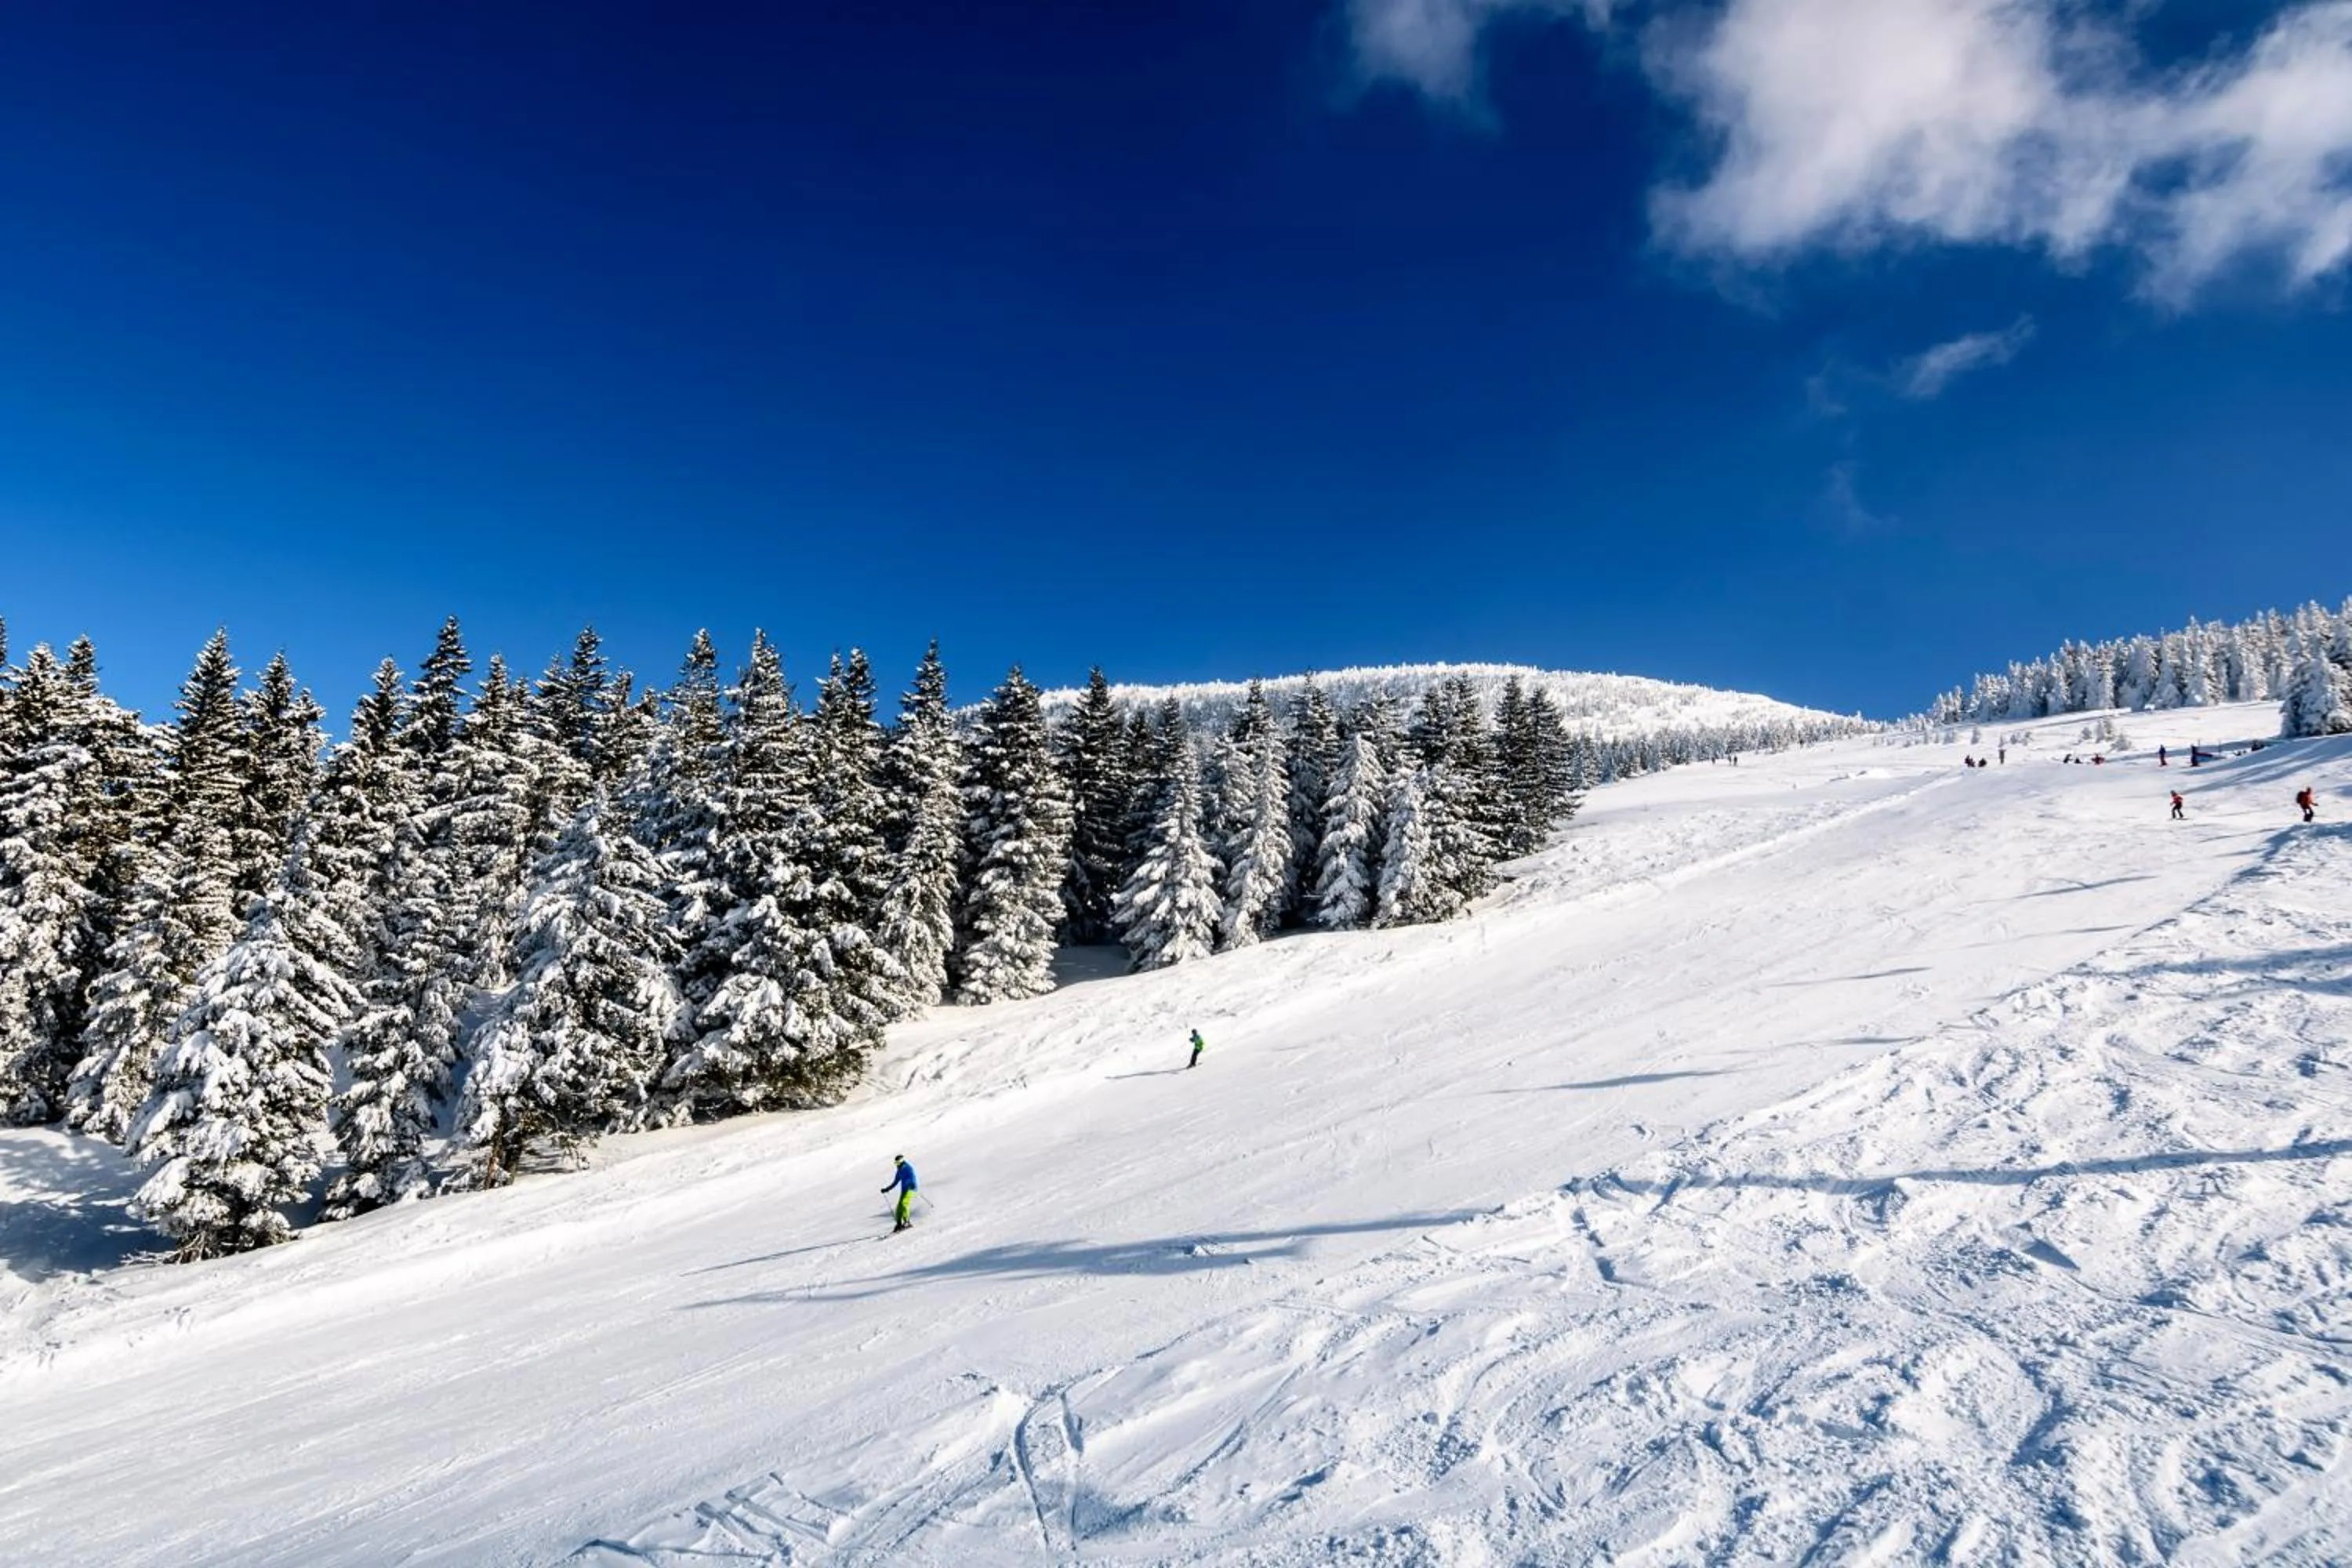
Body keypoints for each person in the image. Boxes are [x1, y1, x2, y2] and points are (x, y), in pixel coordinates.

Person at [881, 1154, 918, 1233]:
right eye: (896, 1163)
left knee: (904, 1203)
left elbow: (913, 1176)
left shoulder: (908, 1168)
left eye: (898, 1163)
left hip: (910, 1188)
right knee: (899, 1207)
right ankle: (899, 1224)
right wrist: (887, 1189)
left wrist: (913, 1184)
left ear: (901, 1162)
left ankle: (907, 1222)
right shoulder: (899, 1171)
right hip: (904, 1190)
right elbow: (895, 1182)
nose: (897, 1165)